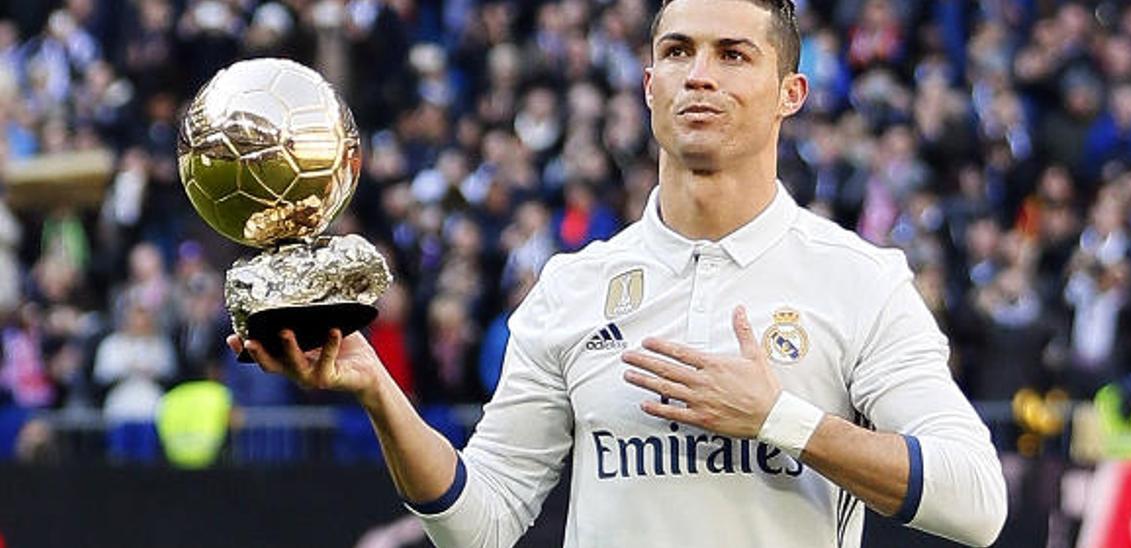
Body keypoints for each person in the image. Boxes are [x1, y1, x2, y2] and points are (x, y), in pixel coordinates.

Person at [230, 1, 1007, 546]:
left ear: (789, 95)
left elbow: (977, 503)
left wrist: (780, 420)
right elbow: (483, 523)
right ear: (647, 86)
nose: (699, 75)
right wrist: (378, 392)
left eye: (733, 55)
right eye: (677, 51)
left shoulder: (859, 280)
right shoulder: (573, 287)